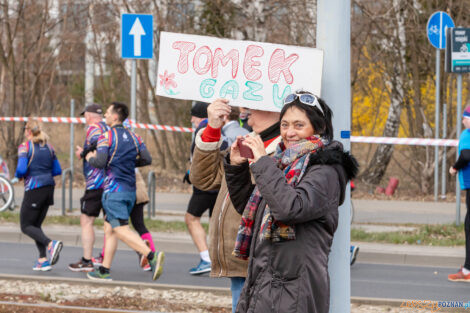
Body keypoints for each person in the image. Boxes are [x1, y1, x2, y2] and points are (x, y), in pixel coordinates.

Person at [225, 92, 358, 313]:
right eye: (285, 124)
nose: (289, 132)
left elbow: (289, 208)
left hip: (294, 290)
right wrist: (237, 167)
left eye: (299, 125)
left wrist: (262, 163)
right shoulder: (281, 163)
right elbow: (251, 208)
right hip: (265, 280)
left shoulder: (326, 170)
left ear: (319, 127)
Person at [190, 99, 282, 313]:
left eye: (254, 107)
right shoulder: (250, 141)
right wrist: (212, 129)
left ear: (277, 109)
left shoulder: (285, 150)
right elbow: (203, 179)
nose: (245, 113)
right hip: (242, 262)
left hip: (259, 263)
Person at [85, 102, 164, 281]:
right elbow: (147, 158)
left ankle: (151, 256)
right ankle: (104, 270)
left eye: (107, 112)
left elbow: (100, 162)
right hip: (130, 191)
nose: (105, 115)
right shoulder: (135, 137)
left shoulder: (106, 137)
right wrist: (128, 163)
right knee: (110, 230)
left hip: (114, 191)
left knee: (120, 229)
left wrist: (89, 157)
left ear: (115, 117)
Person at [14, 120, 63, 271]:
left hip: (35, 189)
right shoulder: (49, 147)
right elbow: (57, 170)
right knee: (36, 225)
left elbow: (21, 169)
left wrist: (20, 176)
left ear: (28, 131)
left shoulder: (25, 147)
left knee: (26, 225)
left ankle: (50, 244)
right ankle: (43, 260)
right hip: (49, 188)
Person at [69, 103, 108, 272]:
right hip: (111, 182)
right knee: (113, 225)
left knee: (86, 220)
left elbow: (95, 147)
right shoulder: (108, 127)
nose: (84, 118)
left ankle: (86, 260)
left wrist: (82, 153)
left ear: (90, 115)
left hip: (96, 182)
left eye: (85, 115)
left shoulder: (93, 128)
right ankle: (145, 254)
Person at [185, 101, 219, 275]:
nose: (191, 120)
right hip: (219, 184)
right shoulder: (220, 126)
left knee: (191, 218)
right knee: (215, 223)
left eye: (193, 116)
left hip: (205, 185)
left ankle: (206, 258)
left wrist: (192, 172)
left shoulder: (203, 128)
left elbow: (201, 155)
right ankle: (217, 258)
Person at [448, 106, 470, 282]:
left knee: (469, 227)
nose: (463, 121)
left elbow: (466, 155)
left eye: (465, 117)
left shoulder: (467, 134)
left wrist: (454, 168)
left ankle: (467, 270)